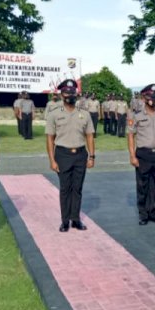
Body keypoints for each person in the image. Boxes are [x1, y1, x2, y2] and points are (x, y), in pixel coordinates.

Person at [45, 79, 95, 232]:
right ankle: (65, 221)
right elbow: (50, 138)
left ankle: (76, 219)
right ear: (61, 95)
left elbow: (90, 136)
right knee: (65, 189)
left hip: (80, 154)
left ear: (76, 94)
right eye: (67, 92)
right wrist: (52, 160)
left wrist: (92, 156)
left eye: (72, 92)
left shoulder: (84, 114)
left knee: (77, 188)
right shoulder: (54, 114)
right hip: (62, 154)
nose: (70, 95)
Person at [128, 84, 155, 225]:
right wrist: (132, 156)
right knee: (142, 185)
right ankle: (143, 215)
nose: (152, 99)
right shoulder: (137, 116)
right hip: (143, 154)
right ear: (143, 98)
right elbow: (130, 136)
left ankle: (154, 213)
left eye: (154, 96)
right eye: (149, 96)